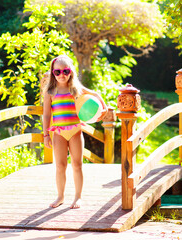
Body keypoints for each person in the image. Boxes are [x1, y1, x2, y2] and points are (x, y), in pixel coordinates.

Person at [42, 55, 108, 209]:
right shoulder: (50, 91)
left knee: (77, 165)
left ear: (71, 71)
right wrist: (46, 135)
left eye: (65, 71)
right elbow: (46, 115)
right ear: (53, 73)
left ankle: (78, 197)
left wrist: (103, 109)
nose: (62, 75)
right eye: (57, 72)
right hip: (58, 132)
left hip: (75, 131)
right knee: (60, 166)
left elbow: (95, 95)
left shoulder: (75, 89)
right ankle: (60, 196)